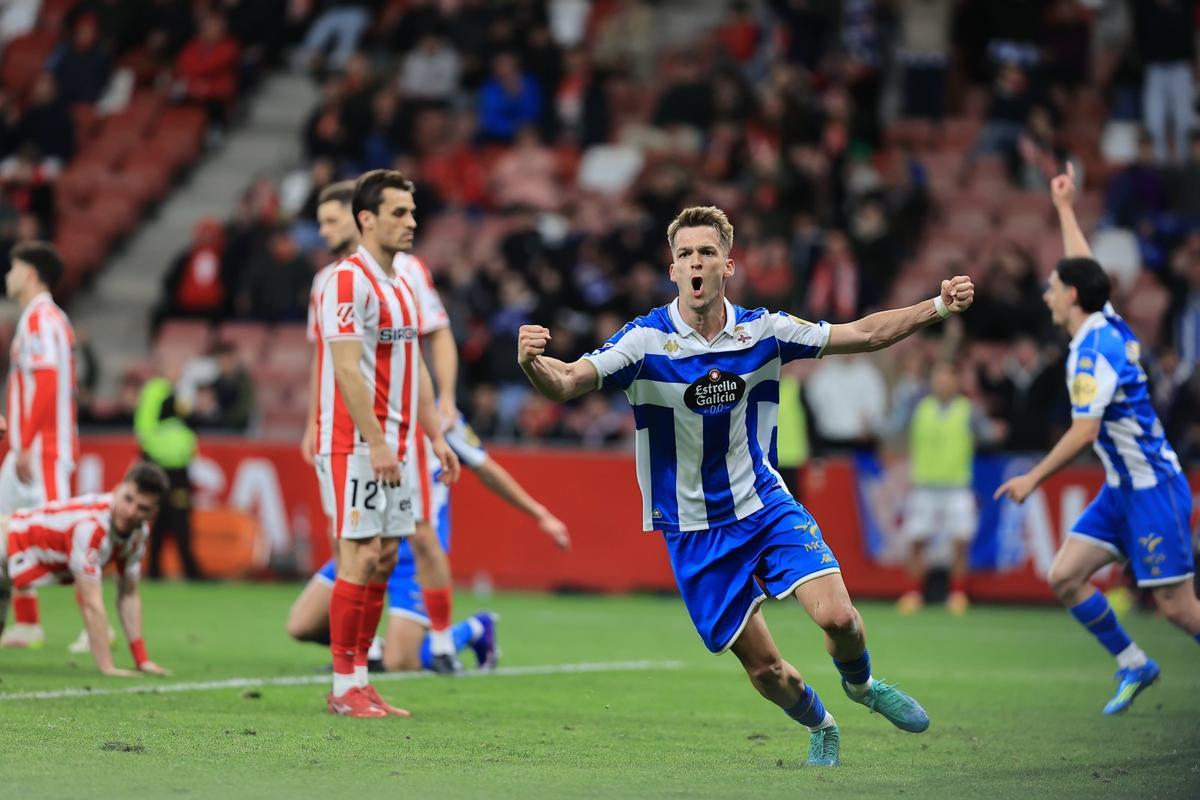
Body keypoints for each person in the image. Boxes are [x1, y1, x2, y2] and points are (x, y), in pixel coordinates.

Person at [517, 206, 974, 766]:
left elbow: (862, 334)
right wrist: (532, 363)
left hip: (763, 504)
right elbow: (567, 381)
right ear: (672, 269)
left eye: (707, 252)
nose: (696, 263)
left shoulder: (764, 331)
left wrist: (936, 306)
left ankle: (862, 686)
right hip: (693, 531)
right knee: (767, 671)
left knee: (841, 619)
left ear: (728, 265)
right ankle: (821, 723)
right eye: (685, 254)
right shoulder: (644, 341)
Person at [995, 164, 1200, 715]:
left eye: (1053, 288)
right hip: (1121, 488)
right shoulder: (1103, 320)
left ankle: (1137, 660)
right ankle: (1135, 663)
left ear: (1072, 297)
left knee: (1179, 609)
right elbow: (1085, 269)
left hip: (1152, 487)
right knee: (1065, 576)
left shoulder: (1092, 352)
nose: (1047, 295)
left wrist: (1033, 478)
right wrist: (1065, 208)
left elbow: (1085, 430)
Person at [315, 168, 460, 718]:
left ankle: (360, 680)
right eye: (399, 212)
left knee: (386, 557)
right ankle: (343, 684)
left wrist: (434, 436)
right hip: (354, 443)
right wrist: (375, 441)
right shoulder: (346, 281)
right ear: (367, 219)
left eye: (413, 212)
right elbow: (345, 369)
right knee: (358, 556)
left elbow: (415, 365)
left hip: (398, 444)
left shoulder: (401, 283)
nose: (411, 221)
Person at [287, 412, 570, 671]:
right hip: (365, 543)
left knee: (400, 662)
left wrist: (541, 514)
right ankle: (371, 649)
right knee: (301, 625)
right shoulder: (364, 406)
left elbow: (487, 469)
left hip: (412, 555)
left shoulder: (441, 418)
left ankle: (473, 629)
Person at [0, 462, 172, 676]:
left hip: (9, 562)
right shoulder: (92, 526)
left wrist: (142, 660)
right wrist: (107, 667)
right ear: (118, 489)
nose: (130, 512)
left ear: (154, 512)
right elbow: (90, 602)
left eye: (142, 508)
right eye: (128, 499)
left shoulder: (138, 535)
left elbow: (128, 594)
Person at [0, 242, 78, 650]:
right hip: (25, 450)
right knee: (6, 533)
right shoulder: (41, 318)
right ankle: (27, 623)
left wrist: (27, 441)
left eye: (13, 267)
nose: (8, 275)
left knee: (63, 539)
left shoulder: (41, 319)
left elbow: (46, 382)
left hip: (42, 449)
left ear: (30, 273)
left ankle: (95, 626)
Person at [896, 361, 999, 616]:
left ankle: (958, 594)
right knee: (917, 539)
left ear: (956, 382)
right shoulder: (918, 407)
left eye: (947, 378)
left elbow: (988, 435)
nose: (942, 383)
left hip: (957, 486)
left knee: (960, 541)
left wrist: (993, 429)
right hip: (924, 485)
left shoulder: (969, 409)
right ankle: (913, 593)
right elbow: (892, 428)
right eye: (938, 378)